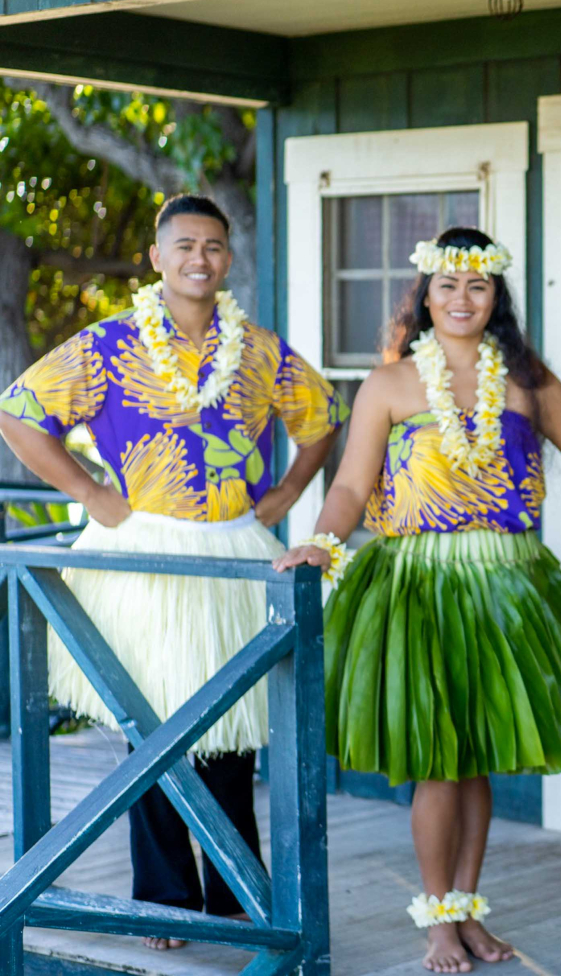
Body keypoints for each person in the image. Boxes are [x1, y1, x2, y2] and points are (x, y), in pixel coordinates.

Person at [0, 194, 345, 950]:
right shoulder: (108, 345)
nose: (200, 258)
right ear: (156, 258)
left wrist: (288, 491)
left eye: (214, 246)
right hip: (142, 550)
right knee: (150, 729)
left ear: (228, 259)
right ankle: (163, 898)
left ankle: (235, 900)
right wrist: (90, 492)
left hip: (231, 547)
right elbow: (18, 412)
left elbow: (323, 418)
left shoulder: (257, 350)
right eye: (184, 245)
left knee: (232, 732)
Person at [274, 226, 561, 975]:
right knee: (438, 757)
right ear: (424, 295)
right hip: (419, 585)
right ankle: (437, 923)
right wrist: (320, 546)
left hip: (508, 582)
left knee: (478, 760)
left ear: (497, 297)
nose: (462, 299)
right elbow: (351, 487)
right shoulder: (391, 385)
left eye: (478, 285)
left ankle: (468, 910)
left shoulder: (527, 379)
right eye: (448, 285)